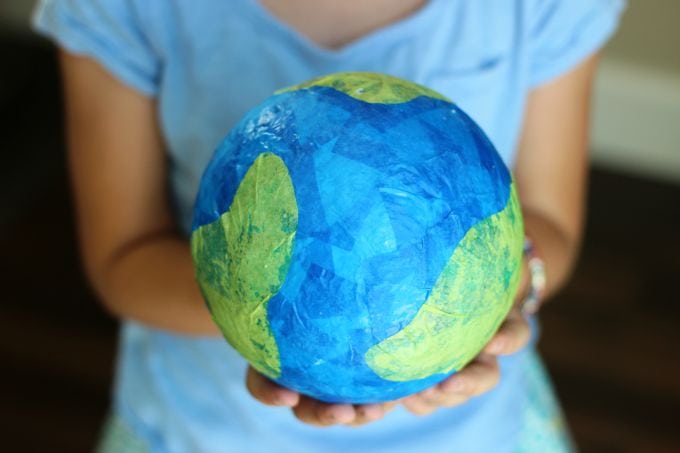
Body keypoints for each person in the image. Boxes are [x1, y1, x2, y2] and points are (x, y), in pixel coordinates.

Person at [34, 0, 625, 451]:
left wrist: (509, 289)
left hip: (470, 428)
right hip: (210, 428)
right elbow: (122, 259)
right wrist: (289, 319)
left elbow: (552, 228)